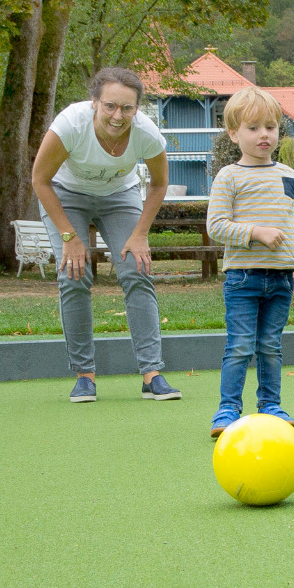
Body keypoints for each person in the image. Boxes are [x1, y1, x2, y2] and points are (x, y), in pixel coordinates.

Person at [30, 66, 180, 404]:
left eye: (127, 108)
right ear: (95, 102)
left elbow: (159, 184)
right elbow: (40, 180)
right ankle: (84, 376)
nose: (117, 115)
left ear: (136, 109)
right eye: (110, 106)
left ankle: (152, 374)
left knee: (137, 269)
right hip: (66, 194)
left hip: (119, 196)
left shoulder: (146, 134)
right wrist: (70, 238)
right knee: (74, 274)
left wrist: (140, 234)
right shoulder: (71, 125)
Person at [205, 87, 294, 436]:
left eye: (270, 127)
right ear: (234, 133)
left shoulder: (288, 175)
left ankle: (270, 406)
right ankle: (227, 410)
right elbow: (216, 226)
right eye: (253, 128)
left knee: (270, 345)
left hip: (283, 278)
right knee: (240, 345)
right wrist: (256, 232)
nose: (263, 135)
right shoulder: (229, 176)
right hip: (243, 277)